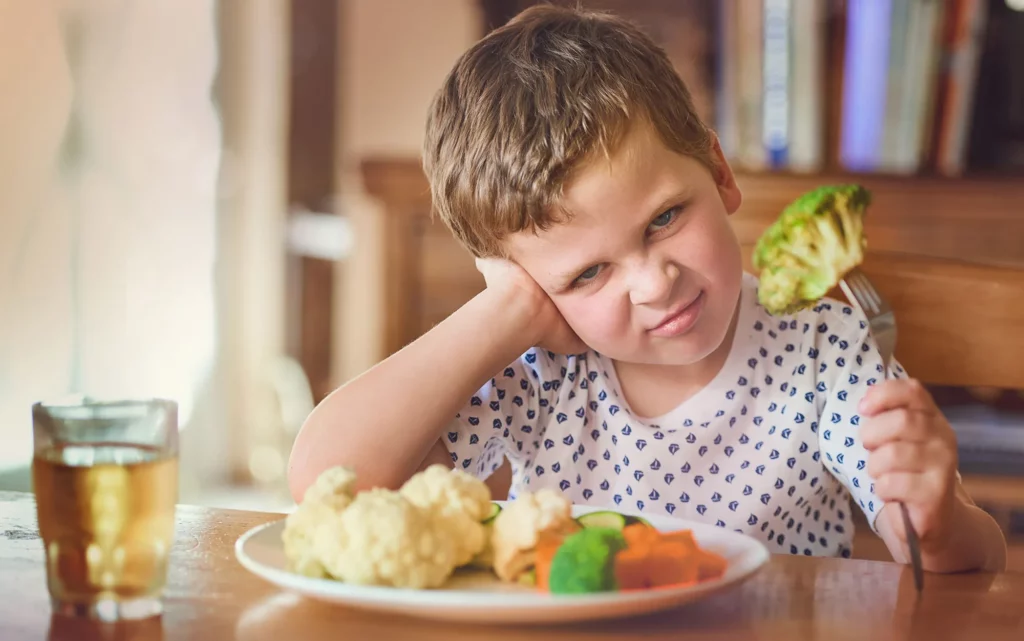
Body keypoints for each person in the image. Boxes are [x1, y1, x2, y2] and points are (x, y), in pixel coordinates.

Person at [288, 4, 1006, 571]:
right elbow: (333, 482)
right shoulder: (537, 372)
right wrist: (507, 311)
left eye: (664, 218)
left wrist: (934, 519)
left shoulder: (823, 346)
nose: (655, 282)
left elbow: (969, 555)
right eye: (588, 272)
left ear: (719, 174)